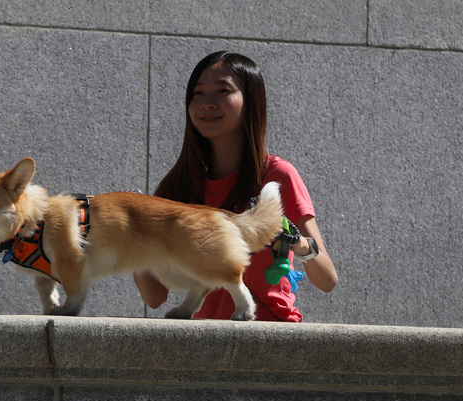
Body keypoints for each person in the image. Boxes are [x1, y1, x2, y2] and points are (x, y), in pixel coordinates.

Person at [135, 51, 338, 321]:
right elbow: (155, 298)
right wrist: (135, 232)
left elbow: (327, 280)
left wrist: (299, 245)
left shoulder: (277, 175)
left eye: (222, 90)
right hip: (202, 344)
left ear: (251, 101)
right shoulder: (178, 187)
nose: (207, 103)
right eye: (198, 93)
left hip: (270, 338)